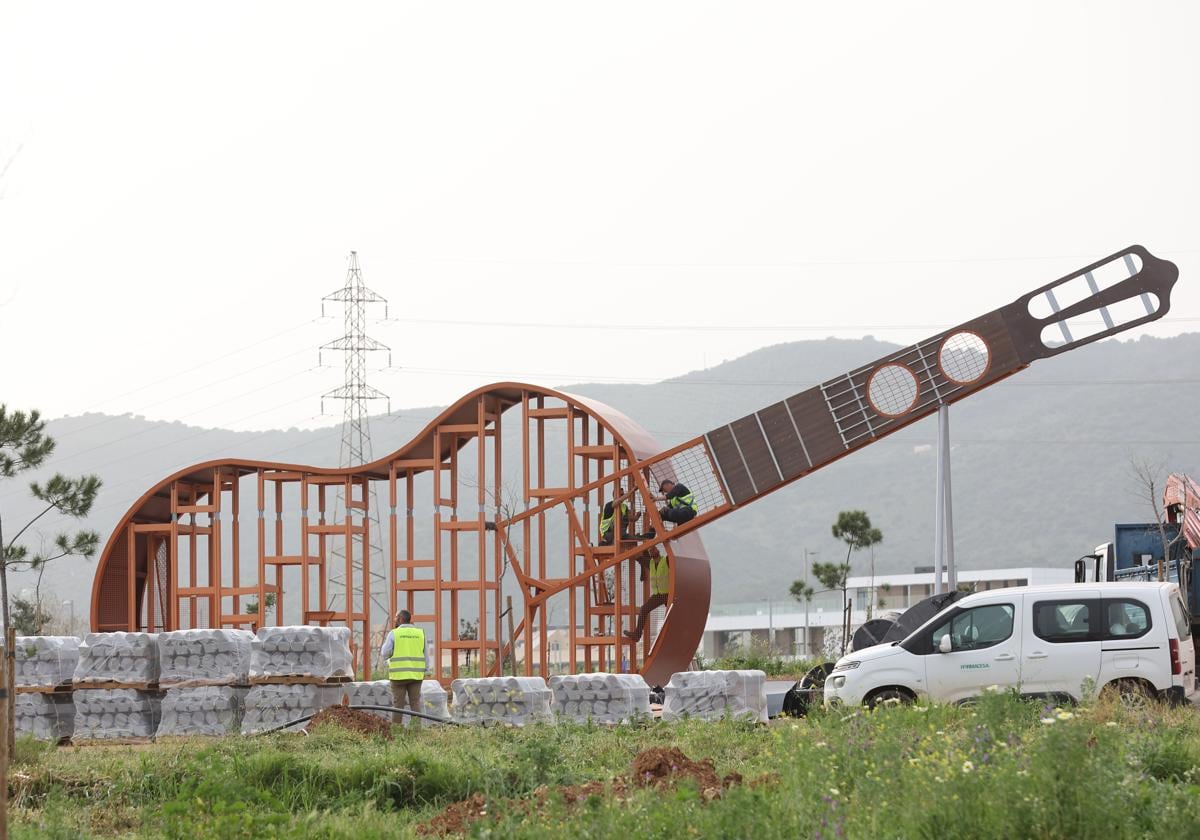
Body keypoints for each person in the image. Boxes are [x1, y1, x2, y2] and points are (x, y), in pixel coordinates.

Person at [379, 609, 428, 726]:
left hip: (398, 676)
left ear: (400, 619)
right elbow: (425, 654)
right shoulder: (420, 633)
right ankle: (417, 731)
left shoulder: (394, 633)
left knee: (398, 704)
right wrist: (426, 670)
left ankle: (396, 730)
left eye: (396, 617)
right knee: (415, 703)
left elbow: (385, 653)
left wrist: (391, 658)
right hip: (416, 676)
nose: (394, 619)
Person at [624, 546, 669, 641]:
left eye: (654, 548)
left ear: (658, 550)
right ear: (650, 554)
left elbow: (674, 556)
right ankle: (637, 634)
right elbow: (638, 557)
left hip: (668, 594)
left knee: (671, 615)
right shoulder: (650, 563)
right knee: (644, 609)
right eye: (651, 550)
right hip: (658, 595)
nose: (653, 550)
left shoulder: (666, 561)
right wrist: (626, 546)